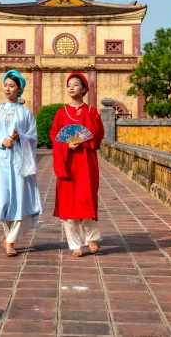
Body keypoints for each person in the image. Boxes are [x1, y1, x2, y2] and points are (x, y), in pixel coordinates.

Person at [0, 70, 43, 257]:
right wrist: (0, 141)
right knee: (1, 202)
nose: (7, 89)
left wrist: (21, 137)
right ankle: (8, 236)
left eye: (12, 86)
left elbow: (33, 137)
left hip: (20, 162)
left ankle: (10, 241)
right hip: (1, 162)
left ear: (19, 89)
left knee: (22, 201)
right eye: (5, 85)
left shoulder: (25, 114)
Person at [51, 72, 105, 257]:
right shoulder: (61, 113)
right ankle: (75, 243)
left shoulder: (91, 112)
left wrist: (84, 133)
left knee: (86, 199)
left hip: (86, 162)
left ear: (84, 89)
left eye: (75, 84)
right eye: (69, 85)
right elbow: (54, 136)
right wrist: (66, 145)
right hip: (67, 163)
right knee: (68, 204)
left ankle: (90, 237)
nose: (71, 87)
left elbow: (97, 135)